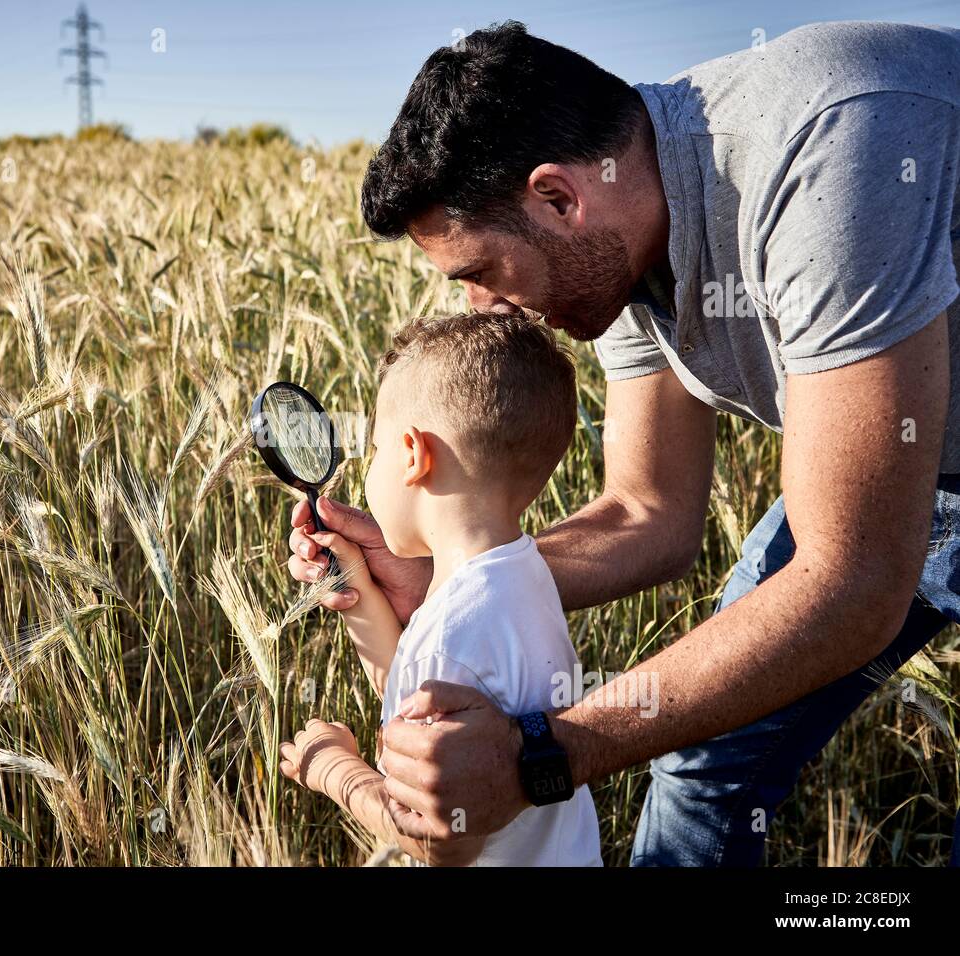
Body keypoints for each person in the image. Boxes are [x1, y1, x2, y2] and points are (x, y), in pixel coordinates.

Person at [286, 20, 960, 865]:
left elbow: (856, 577)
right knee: (702, 764)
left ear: (559, 198)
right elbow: (651, 512)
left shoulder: (830, 147)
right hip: (890, 475)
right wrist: (446, 574)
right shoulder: (617, 239)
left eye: (481, 275)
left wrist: (542, 755)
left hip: (870, 515)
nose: (485, 314)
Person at [278, 312, 602, 865]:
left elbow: (441, 840)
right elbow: (410, 679)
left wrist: (337, 772)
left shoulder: (454, 630)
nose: (371, 467)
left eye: (377, 450)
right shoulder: (522, 578)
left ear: (412, 454)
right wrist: (356, 577)